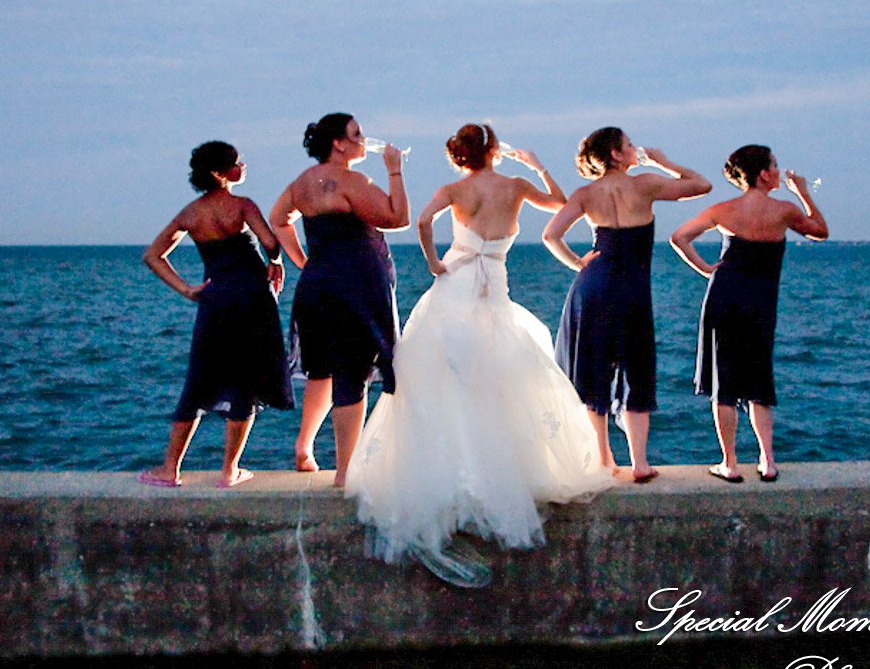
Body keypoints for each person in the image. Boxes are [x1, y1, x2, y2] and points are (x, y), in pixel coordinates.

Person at [345, 124, 614, 586]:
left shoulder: (453, 189)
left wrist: (432, 262)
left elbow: (424, 223)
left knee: (444, 384)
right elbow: (558, 200)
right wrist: (536, 165)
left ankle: (454, 476)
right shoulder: (516, 186)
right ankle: (493, 476)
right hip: (495, 292)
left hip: (455, 288)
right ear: (492, 151)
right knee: (498, 382)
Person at [542, 127, 711, 483]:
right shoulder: (645, 183)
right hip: (632, 290)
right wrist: (665, 162)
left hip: (594, 286)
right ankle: (640, 463)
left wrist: (577, 263)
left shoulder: (586, 193)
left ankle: (604, 459)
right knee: (637, 371)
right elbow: (701, 184)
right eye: (629, 145)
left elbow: (550, 235)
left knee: (594, 372)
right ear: (616, 154)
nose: (635, 148)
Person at [138, 141, 293, 488]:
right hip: (253, 299)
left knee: (199, 381)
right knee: (245, 384)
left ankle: (169, 469)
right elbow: (270, 242)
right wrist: (276, 262)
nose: (244, 167)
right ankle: (229, 471)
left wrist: (188, 289)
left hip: (216, 299)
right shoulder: (242, 205)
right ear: (222, 173)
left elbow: (153, 256)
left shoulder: (190, 213)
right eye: (238, 163)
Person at [669, 145, 827, 482]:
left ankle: (729, 464)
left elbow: (679, 237)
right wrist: (804, 193)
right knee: (758, 381)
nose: (779, 171)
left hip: (723, 296)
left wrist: (708, 271)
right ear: (765, 174)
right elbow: (819, 230)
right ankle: (767, 461)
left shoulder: (723, 209)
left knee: (723, 385)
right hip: (761, 301)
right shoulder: (783, 211)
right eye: (774, 165)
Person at [270, 113, 407, 488]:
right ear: (339, 143)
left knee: (323, 370)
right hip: (356, 284)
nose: (364, 139)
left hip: (317, 283)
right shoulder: (352, 180)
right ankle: (346, 471)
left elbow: (278, 219)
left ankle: (304, 448)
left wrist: (303, 262)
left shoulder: (302, 183)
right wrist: (394, 171)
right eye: (357, 134)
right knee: (352, 373)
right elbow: (397, 217)